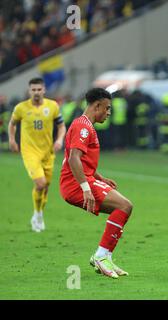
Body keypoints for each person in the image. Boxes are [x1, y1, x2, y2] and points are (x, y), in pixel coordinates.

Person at [59, 88, 133, 279]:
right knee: (124, 205)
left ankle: (104, 256)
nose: (109, 112)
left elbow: (81, 161)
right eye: (107, 108)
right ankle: (101, 256)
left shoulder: (86, 126)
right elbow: (74, 159)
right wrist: (86, 188)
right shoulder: (83, 127)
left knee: (123, 208)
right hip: (76, 183)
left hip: (84, 179)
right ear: (97, 105)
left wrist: (100, 178)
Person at [8, 77, 66, 232]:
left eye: (39, 89)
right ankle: (37, 214)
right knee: (40, 183)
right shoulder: (21, 108)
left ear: (44, 90)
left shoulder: (52, 106)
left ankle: (38, 214)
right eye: (33, 90)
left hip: (48, 152)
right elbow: (12, 124)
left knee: (45, 187)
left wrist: (60, 140)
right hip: (30, 152)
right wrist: (12, 140)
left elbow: (61, 126)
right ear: (29, 91)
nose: (36, 92)